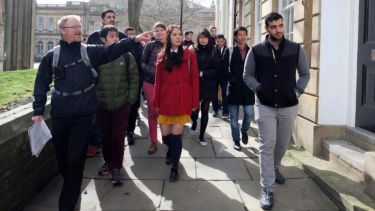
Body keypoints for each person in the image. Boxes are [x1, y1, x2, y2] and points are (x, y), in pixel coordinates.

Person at [32, 15, 151, 211]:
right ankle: (73, 183)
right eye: (74, 27)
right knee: (63, 159)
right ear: (62, 30)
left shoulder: (89, 51)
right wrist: (38, 109)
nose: (79, 30)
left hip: (83, 112)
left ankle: (67, 204)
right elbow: (41, 82)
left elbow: (111, 50)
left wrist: (133, 40)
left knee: (75, 159)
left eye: (80, 26)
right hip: (60, 113)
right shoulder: (52, 56)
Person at [243, 12, 310, 210]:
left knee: (282, 144)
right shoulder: (256, 50)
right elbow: (247, 75)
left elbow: (305, 74)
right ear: (267, 28)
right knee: (267, 144)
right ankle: (267, 188)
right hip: (264, 105)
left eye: (280, 25)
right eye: (273, 27)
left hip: (289, 105)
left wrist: (297, 90)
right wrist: (259, 89)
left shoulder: (295, 49)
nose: (278, 30)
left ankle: (274, 167)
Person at [154, 24, 199, 182]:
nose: (178, 37)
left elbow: (194, 79)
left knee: (176, 134)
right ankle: (170, 151)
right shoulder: (161, 55)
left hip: (182, 100)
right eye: (174, 34)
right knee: (166, 135)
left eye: (180, 34)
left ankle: (175, 166)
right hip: (166, 100)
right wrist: (156, 101)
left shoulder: (189, 54)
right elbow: (157, 82)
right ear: (169, 37)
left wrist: (194, 101)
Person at [96, 25, 139, 185]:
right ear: (103, 39)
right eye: (111, 36)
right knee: (106, 137)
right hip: (102, 105)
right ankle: (108, 161)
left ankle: (117, 168)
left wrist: (130, 101)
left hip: (122, 104)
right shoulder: (97, 56)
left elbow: (134, 79)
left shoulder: (127, 56)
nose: (115, 38)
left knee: (118, 136)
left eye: (116, 36)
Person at [86, 9, 127, 157]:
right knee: (97, 115)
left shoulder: (121, 37)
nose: (112, 19)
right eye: (109, 17)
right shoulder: (93, 37)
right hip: (98, 81)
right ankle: (96, 144)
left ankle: (115, 147)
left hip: (117, 82)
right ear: (102, 20)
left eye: (113, 17)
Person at [227, 27, 255, 151]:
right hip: (234, 89)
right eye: (239, 35)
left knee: (249, 113)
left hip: (248, 89)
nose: (242, 37)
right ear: (235, 37)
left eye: (244, 34)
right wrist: (231, 79)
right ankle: (236, 140)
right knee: (233, 118)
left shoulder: (252, 51)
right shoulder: (230, 51)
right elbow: (223, 68)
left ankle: (244, 130)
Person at [190, 29, 219, 146]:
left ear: (208, 39)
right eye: (201, 37)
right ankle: (194, 122)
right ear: (198, 38)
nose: (203, 40)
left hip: (208, 85)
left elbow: (217, 68)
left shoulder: (213, 50)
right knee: (194, 111)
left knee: (205, 111)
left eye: (205, 37)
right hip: (195, 85)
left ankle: (202, 136)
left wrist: (203, 73)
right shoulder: (193, 50)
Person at [141, 22, 167, 153]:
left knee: (163, 112)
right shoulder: (150, 45)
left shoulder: (171, 45)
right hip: (150, 82)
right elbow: (142, 62)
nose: (160, 32)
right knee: (152, 112)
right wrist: (152, 70)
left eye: (162, 29)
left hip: (166, 85)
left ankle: (166, 138)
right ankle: (153, 141)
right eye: (157, 30)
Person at [125, 26, 144, 146]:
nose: (131, 35)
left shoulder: (140, 47)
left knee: (133, 107)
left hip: (136, 81)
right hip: (122, 81)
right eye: (129, 34)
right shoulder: (121, 47)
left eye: (133, 33)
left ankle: (130, 131)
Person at [212, 34, 229, 118]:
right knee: (214, 94)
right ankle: (215, 111)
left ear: (224, 41)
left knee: (224, 94)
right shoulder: (213, 49)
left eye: (221, 41)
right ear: (215, 41)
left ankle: (225, 111)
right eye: (218, 41)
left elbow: (226, 63)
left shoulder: (227, 49)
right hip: (214, 76)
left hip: (224, 75)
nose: (219, 43)